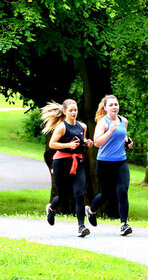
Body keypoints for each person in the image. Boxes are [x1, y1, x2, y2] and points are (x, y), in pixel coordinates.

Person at [41, 99, 94, 237]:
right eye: (70, 110)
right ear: (64, 112)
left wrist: (87, 143)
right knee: (63, 195)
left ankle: (81, 226)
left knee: (79, 194)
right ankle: (51, 209)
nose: (73, 112)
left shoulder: (82, 126)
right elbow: (52, 144)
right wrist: (68, 146)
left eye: (75, 110)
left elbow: (82, 141)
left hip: (78, 163)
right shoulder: (61, 127)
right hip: (61, 163)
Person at [85, 95, 134, 236]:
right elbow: (97, 142)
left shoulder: (123, 121)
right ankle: (91, 211)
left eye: (116, 104)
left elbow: (123, 136)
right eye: (111, 105)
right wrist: (110, 131)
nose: (114, 107)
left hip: (121, 161)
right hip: (105, 162)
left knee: (122, 192)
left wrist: (128, 141)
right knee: (106, 194)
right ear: (105, 108)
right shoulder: (103, 122)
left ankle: (124, 225)